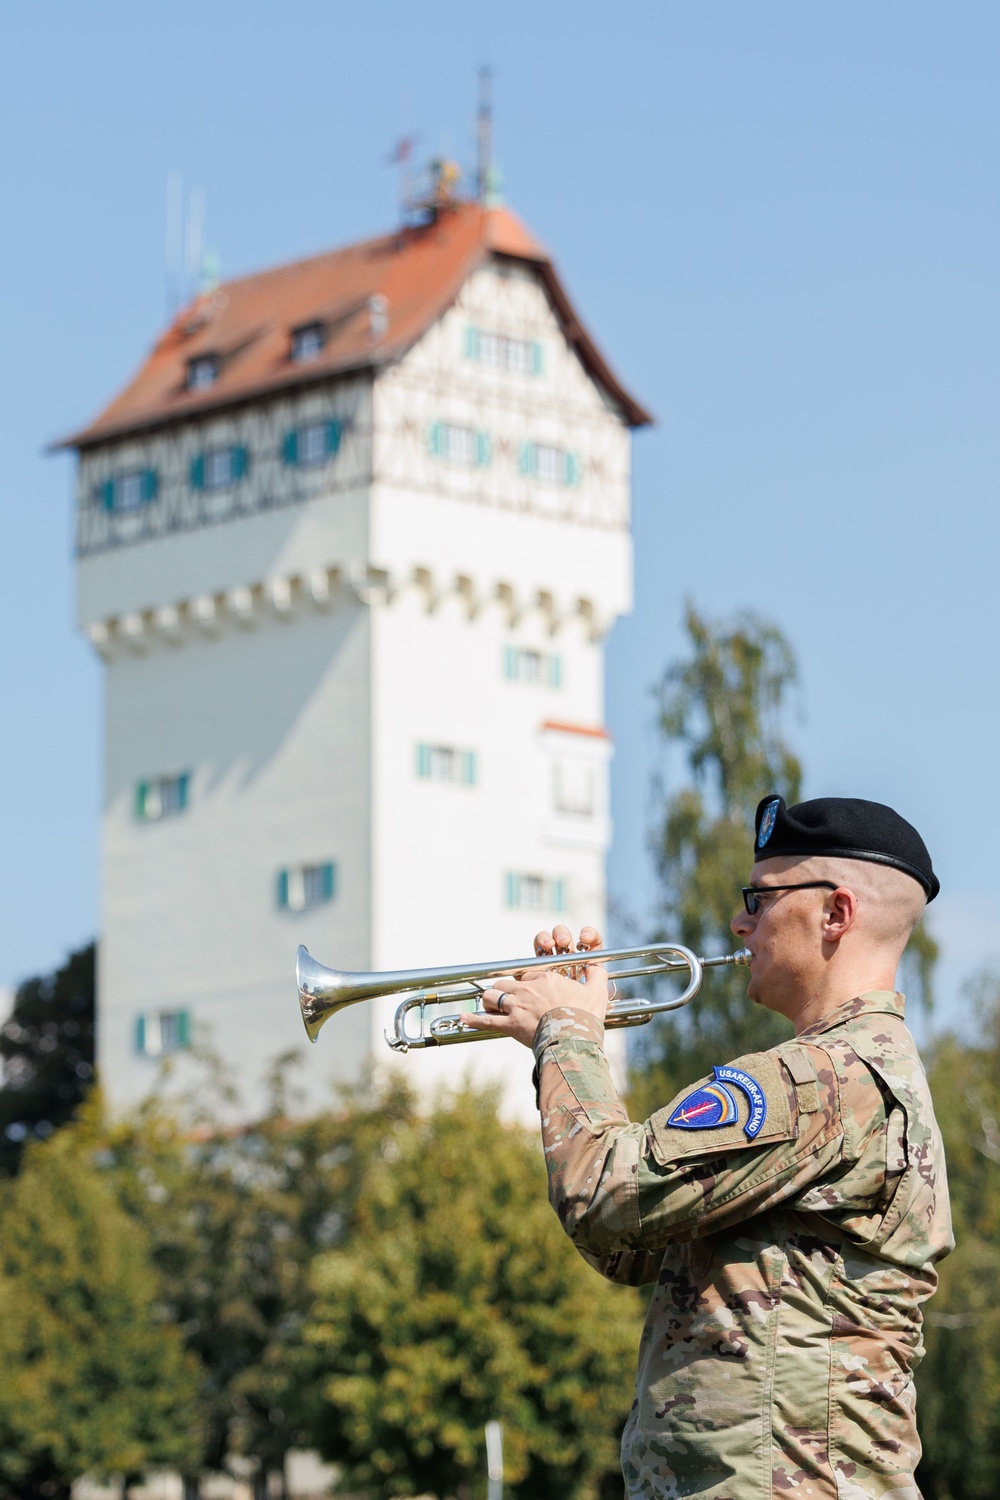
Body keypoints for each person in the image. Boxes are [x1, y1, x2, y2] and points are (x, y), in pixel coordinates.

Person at [464, 795, 954, 1500]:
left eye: (760, 898)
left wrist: (567, 1036)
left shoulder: (817, 1080)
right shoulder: (850, 1077)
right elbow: (629, 1248)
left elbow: (603, 1195)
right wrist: (559, 1049)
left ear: (836, 914)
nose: (739, 920)